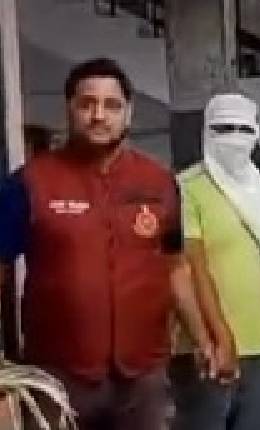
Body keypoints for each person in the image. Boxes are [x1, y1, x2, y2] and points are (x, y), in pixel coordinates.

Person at [0, 58, 214, 430]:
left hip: (143, 375)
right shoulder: (30, 183)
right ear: (69, 108)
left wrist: (202, 338)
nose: (99, 115)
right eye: (87, 104)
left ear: (128, 113)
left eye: (112, 105)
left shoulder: (160, 182)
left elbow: (175, 266)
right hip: (57, 374)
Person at [170, 94, 260, 429]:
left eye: (243, 129)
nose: (234, 138)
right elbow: (193, 266)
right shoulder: (185, 188)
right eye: (224, 128)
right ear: (207, 131)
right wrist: (220, 337)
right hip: (206, 347)